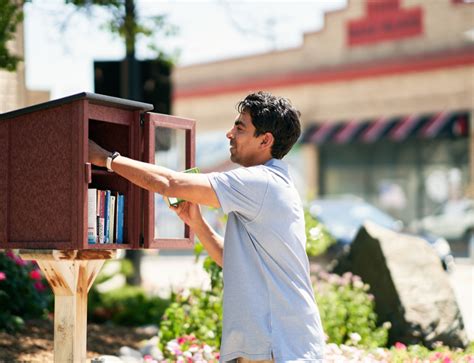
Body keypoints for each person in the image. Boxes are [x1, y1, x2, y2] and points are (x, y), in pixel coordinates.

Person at [88, 91, 325, 362]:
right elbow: (230, 259)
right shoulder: (271, 184)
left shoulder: (261, 182)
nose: (229, 134)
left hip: (279, 348)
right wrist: (197, 223)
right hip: (276, 346)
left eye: (240, 127)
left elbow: (171, 184)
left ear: (265, 140)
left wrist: (106, 159)